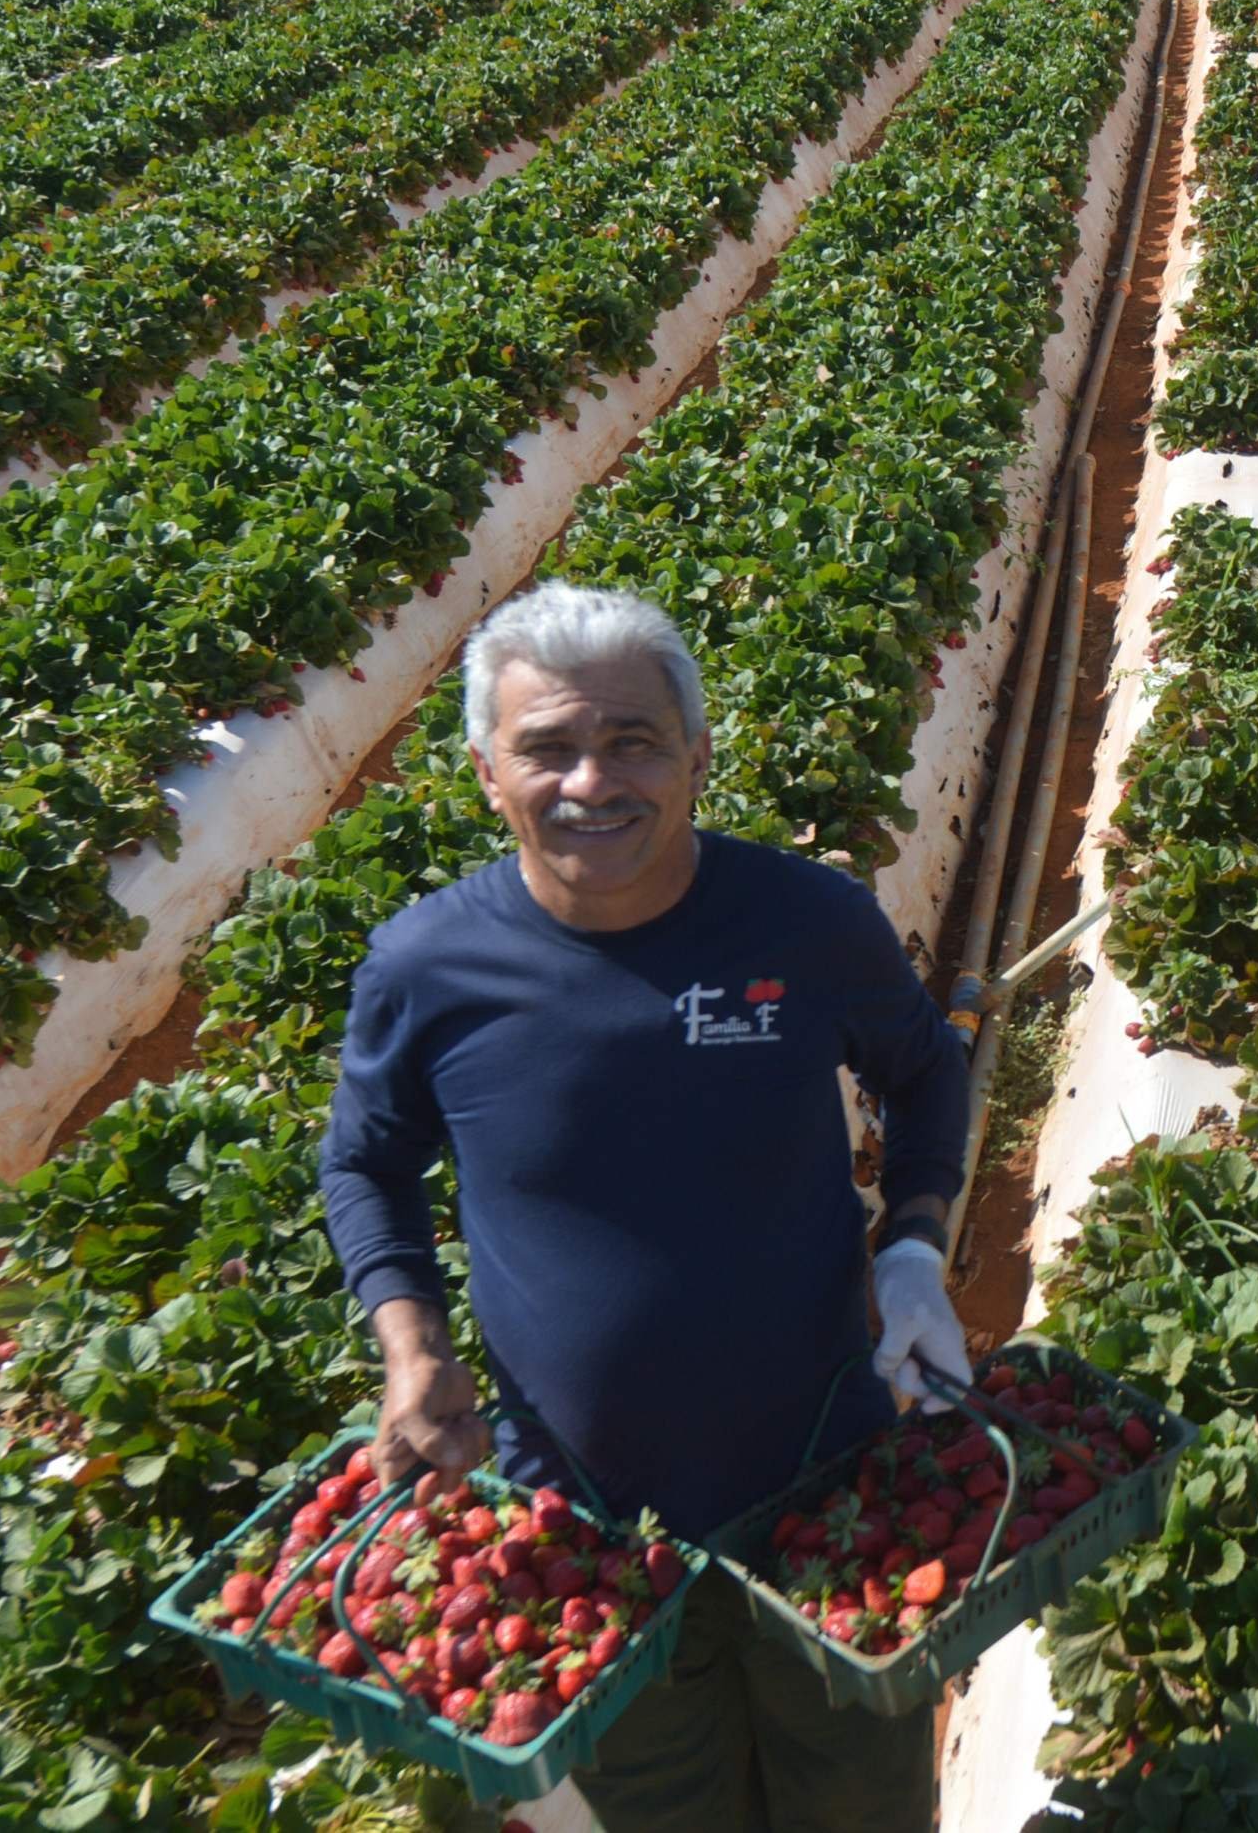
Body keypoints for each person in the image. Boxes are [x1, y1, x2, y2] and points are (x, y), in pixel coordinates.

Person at [321, 583, 975, 1832]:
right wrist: (410, 1345)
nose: (590, 782)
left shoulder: (807, 921)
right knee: (660, 1807)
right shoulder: (428, 967)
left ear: (696, 756)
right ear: (484, 771)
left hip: (833, 1482)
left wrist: (916, 1247)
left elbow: (925, 1069)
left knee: (861, 1801)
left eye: (631, 741)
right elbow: (365, 1162)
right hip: (584, 1517)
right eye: (546, 748)